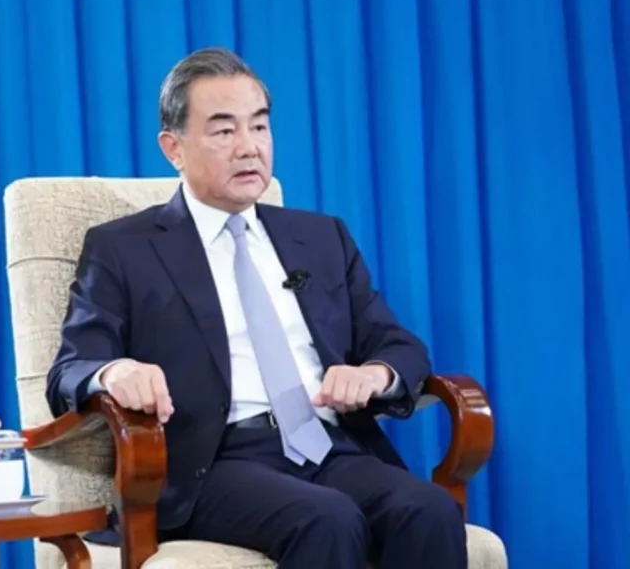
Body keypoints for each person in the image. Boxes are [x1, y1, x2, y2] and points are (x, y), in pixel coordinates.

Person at [45, 47, 466, 569]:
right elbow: (70, 369)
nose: (249, 147)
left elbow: (398, 344)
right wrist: (115, 372)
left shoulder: (321, 237)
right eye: (224, 131)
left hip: (328, 444)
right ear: (173, 148)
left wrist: (375, 373)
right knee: (328, 518)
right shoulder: (124, 248)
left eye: (260, 127)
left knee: (429, 509)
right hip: (214, 464)